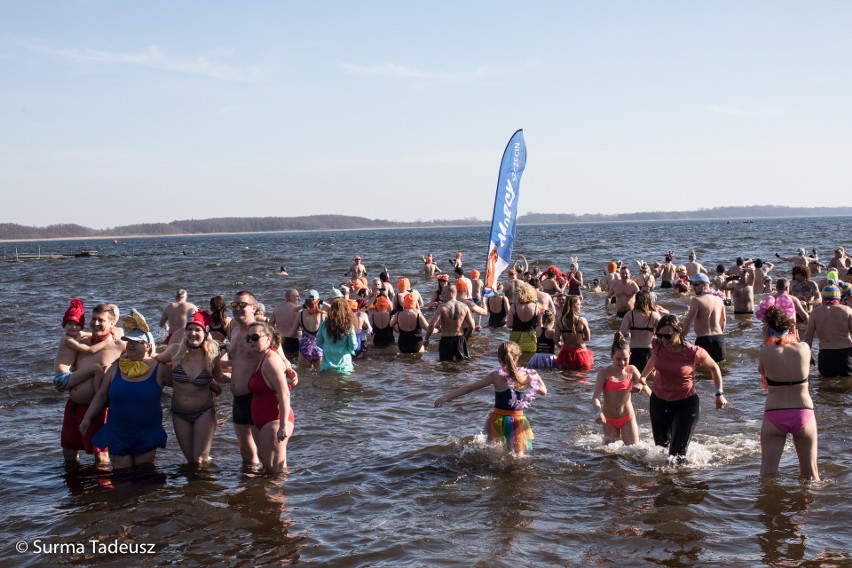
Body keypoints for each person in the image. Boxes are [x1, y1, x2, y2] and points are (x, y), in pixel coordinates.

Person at [80, 311, 167, 470]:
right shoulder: (116, 367)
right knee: (122, 481)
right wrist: (87, 418)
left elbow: (184, 383)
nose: (131, 344)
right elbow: (101, 394)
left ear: (147, 346)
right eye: (128, 341)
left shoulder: (160, 368)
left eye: (136, 341)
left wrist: (208, 385)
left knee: (144, 478)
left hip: (146, 432)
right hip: (119, 432)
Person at [639, 314, 727, 463]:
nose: (663, 339)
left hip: (686, 404)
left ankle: (680, 484)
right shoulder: (658, 344)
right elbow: (655, 359)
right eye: (659, 335)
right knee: (660, 449)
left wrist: (719, 393)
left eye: (667, 336)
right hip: (659, 402)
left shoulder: (694, 352)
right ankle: (662, 484)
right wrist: (643, 377)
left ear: (678, 332)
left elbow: (714, 368)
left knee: (676, 456)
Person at [434, 341, 547, 456]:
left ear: (499, 359)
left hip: (497, 421)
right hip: (518, 421)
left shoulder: (495, 376)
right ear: (518, 357)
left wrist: (446, 397)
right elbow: (544, 391)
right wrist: (534, 381)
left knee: (494, 454)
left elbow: (470, 387)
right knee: (518, 456)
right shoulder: (529, 374)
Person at [758, 307, 819, 480]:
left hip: (774, 413)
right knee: (811, 474)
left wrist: (767, 341)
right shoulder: (804, 349)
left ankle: (769, 504)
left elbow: (763, 373)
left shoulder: (765, 352)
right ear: (791, 329)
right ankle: (812, 505)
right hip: (803, 412)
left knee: (767, 474)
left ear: (768, 330)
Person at [61, 303, 125, 465]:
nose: (95, 323)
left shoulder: (120, 346)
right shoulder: (80, 341)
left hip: (100, 410)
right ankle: (75, 489)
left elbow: (146, 358)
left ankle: (103, 489)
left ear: (112, 323)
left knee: (101, 456)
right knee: (69, 452)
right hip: (74, 406)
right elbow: (63, 364)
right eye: (93, 319)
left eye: (101, 320)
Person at [160, 310, 221, 464]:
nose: (193, 333)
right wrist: (126, 356)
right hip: (179, 413)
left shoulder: (212, 355)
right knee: (190, 461)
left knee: (199, 460)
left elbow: (221, 376)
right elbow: (154, 360)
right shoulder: (174, 351)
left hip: (204, 411)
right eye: (189, 329)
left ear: (206, 333)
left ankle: (206, 485)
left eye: (198, 330)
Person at [245, 321, 296, 473]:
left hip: (274, 420)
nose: (251, 341)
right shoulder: (263, 358)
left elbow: (284, 393)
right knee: (270, 468)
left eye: (255, 337)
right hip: (264, 420)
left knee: (275, 472)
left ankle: (279, 497)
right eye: (248, 338)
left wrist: (282, 427)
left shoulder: (271, 360)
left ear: (268, 338)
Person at [591, 332, 650, 445]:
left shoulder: (632, 370)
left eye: (625, 359)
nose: (622, 363)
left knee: (634, 452)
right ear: (611, 356)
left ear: (630, 356)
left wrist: (641, 385)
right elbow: (595, 398)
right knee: (611, 456)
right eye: (618, 359)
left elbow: (649, 393)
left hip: (627, 417)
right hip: (608, 419)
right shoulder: (604, 373)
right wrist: (598, 412)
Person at [53, 298, 114, 392]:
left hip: (68, 373)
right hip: (62, 377)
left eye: (77, 324)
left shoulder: (77, 335)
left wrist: (110, 332)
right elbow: (90, 350)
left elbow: (91, 334)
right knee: (96, 368)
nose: (74, 327)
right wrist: (107, 341)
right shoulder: (67, 340)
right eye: (70, 324)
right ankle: (100, 395)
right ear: (64, 325)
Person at [803, 284, 852, 377]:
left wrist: (808, 355)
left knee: (825, 385)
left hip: (825, 355)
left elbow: (808, 338)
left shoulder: (815, 313)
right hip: (846, 355)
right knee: (847, 385)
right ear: (838, 297)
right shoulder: (847, 310)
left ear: (823, 297)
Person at [682, 273, 727, 363]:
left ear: (705, 284)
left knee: (701, 373)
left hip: (704, 340)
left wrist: (680, 338)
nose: (693, 287)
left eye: (695, 284)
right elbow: (723, 321)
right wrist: (718, 336)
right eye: (692, 284)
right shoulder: (719, 299)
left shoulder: (696, 300)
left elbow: (688, 322)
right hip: (719, 339)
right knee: (719, 370)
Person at [424, 284, 475, 361]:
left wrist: (426, 339)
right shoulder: (465, 307)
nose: (441, 295)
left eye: (444, 293)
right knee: (461, 364)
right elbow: (472, 327)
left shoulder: (442, 307)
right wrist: (466, 336)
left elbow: (431, 325)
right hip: (460, 339)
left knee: (445, 366)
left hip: (446, 340)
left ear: (451, 294)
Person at [619, 290, 661, 372]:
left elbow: (622, 332)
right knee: (649, 379)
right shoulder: (654, 315)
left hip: (633, 351)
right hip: (648, 351)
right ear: (649, 300)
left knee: (633, 378)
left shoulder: (629, 315)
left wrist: (629, 335)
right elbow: (662, 332)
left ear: (636, 300)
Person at [315, 299, 358, 372]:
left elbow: (318, 342)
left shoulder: (324, 324)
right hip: (344, 367)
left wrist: (328, 347)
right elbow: (353, 345)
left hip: (327, 366)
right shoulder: (349, 326)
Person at [289, 290, 326, 369]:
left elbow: (292, 333)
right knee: (319, 377)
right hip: (319, 349)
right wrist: (322, 302)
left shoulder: (300, 314)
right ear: (318, 300)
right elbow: (334, 308)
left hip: (304, 348)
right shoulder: (323, 314)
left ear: (306, 301)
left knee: (304, 377)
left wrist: (304, 305)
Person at [556, 295, 594, 371]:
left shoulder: (560, 321)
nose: (581, 306)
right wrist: (578, 340)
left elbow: (556, 339)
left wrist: (562, 346)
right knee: (581, 378)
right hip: (581, 353)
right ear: (574, 306)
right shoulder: (582, 320)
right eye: (579, 304)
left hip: (566, 353)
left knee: (566, 376)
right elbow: (588, 338)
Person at [506, 282, 540, 354]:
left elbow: (509, 325)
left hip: (516, 338)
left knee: (515, 358)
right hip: (531, 337)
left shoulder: (513, 307)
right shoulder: (537, 306)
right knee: (529, 359)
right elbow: (540, 326)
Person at [270, 289, 302, 358]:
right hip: (293, 339)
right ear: (291, 297)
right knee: (294, 361)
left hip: (280, 339)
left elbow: (270, 324)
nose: (299, 298)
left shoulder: (277, 308)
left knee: (283, 359)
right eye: (297, 296)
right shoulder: (297, 309)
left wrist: (276, 332)